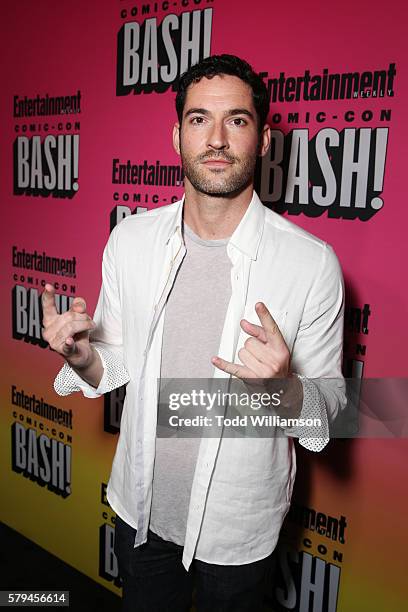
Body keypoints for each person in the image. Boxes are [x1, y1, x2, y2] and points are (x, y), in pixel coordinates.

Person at [42, 54, 346, 611]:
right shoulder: (129, 241)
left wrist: (283, 388)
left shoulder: (311, 264)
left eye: (237, 120)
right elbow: (115, 362)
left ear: (265, 139)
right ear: (177, 135)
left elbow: (330, 411)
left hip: (239, 530)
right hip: (140, 511)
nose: (217, 138)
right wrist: (83, 357)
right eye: (200, 119)